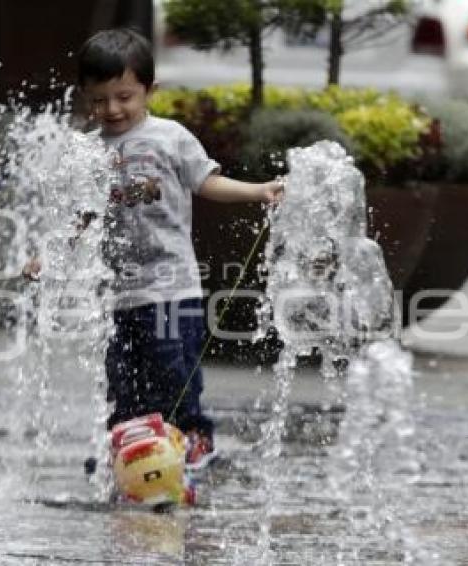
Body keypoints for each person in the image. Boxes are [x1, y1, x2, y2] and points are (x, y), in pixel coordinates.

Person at [32, 27, 284, 470]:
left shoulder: (170, 137)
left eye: (124, 96)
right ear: (85, 96)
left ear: (150, 90)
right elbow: (82, 216)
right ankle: (128, 448)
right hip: (119, 293)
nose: (112, 109)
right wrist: (48, 254)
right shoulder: (87, 152)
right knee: (122, 378)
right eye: (99, 100)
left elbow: (207, 182)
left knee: (173, 368)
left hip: (171, 287)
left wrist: (257, 190)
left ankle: (193, 436)